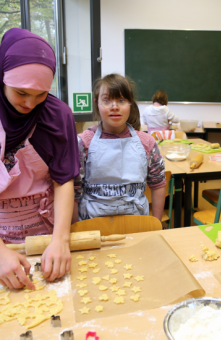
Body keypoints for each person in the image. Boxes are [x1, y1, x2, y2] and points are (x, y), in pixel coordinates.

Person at [0, 28, 79, 289]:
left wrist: (60, 241)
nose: (30, 104)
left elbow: (64, 179)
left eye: (41, 94)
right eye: (21, 93)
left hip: (46, 231)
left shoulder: (57, 116)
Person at [73, 74, 166, 223]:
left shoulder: (147, 143)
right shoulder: (83, 143)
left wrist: (156, 225)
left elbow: (158, 184)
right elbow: (73, 192)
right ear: (97, 104)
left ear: (130, 104)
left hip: (137, 226)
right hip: (92, 226)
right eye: (107, 100)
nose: (114, 106)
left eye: (121, 100)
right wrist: (76, 231)